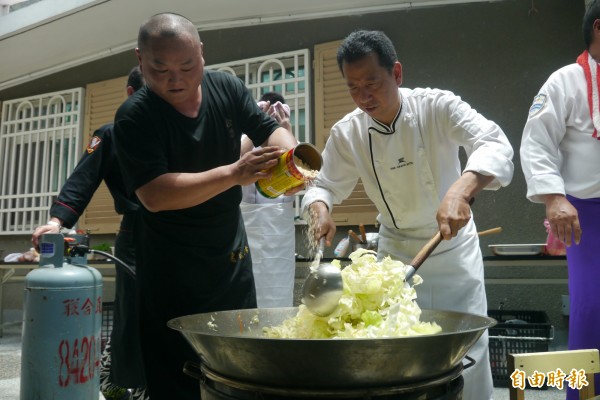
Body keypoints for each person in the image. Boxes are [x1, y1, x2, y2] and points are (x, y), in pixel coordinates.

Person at [301, 30, 514, 400]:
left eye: (372, 82)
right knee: (396, 349)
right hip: (396, 256)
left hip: (453, 252)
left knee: (468, 351)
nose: (364, 96)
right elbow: (323, 184)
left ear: (396, 73)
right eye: (353, 87)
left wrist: (459, 191)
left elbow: (494, 143)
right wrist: (320, 209)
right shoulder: (348, 132)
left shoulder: (437, 106)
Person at [113, 13, 298, 400]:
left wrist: (292, 157)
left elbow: (267, 128)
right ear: (140, 59)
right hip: (171, 268)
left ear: (202, 53)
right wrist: (234, 173)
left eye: (187, 65)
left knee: (240, 369)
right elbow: (156, 195)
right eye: (159, 68)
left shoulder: (226, 87)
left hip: (230, 258)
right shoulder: (134, 117)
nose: (175, 79)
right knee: (178, 377)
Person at [31, 66, 148, 400]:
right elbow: (83, 179)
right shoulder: (111, 135)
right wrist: (56, 222)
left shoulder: (174, 131)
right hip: (136, 234)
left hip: (178, 234)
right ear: (131, 95)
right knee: (134, 309)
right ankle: (126, 382)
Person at [520, 2, 600, 398]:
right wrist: (554, 198)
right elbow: (537, 143)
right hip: (586, 213)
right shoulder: (565, 81)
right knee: (590, 309)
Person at [240, 92, 296, 308]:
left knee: (278, 291)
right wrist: (252, 130)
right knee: (249, 290)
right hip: (248, 225)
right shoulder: (245, 141)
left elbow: (301, 178)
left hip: (280, 231)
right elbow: (233, 162)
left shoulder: (291, 143)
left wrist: (286, 129)